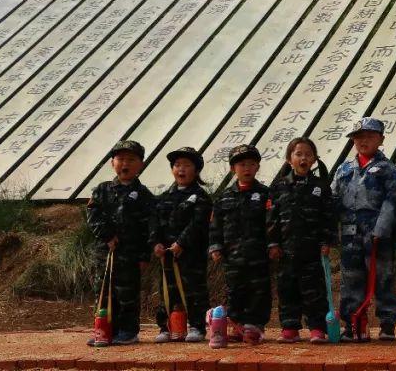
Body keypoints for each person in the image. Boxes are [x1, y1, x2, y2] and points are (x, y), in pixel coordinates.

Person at [332, 117, 396, 341]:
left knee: (383, 278)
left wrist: (380, 230)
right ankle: (353, 324)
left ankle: (389, 324)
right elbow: (333, 199)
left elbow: (392, 201)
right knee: (350, 280)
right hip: (350, 234)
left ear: (380, 139)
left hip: (377, 234)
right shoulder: (343, 169)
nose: (364, 140)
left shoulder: (387, 169)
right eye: (359, 137)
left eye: (370, 136)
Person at [267, 137, 337, 344]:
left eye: (308, 154)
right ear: (289, 159)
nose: (303, 158)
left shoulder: (321, 186)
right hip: (286, 251)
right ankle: (289, 328)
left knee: (314, 291)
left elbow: (328, 217)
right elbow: (271, 219)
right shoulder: (279, 187)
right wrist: (273, 243)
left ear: (314, 159)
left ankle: (317, 328)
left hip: (312, 251)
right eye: (298, 154)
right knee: (287, 289)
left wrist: (326, 241)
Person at [86, 140, 155, 346]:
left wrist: (144, 255)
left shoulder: (145, 196)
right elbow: (93, 215)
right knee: (103, 292)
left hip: (131, 255)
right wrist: (107, 235)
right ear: (112, 163)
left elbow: (149, 229)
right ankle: (105, 330)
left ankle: (128, 331)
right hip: (105, 254)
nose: (125, 164)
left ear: (140, 165)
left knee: (128, 294)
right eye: (121, 159)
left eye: (131, 160)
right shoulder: (102, 190)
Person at [209, 144, 271, 345]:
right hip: (232, 256)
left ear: (257, 167)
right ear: (232, 168)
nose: (247, 168)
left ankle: (254, 326)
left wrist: (273, 245)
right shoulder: (223, 197)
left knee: (259, 290)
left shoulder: (265, 194)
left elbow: (272, 223)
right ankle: (236, 324)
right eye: (242, 164)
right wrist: (216, 247)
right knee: (235, 290)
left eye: (252, 164)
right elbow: (215, 225)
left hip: (258, 254)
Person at [150, 147, 211, 344]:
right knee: (168, 290)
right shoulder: (164, 197)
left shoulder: (201, 197)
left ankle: (197, 326)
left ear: (196, 170)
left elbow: (198, 223)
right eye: (177, 165)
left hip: (191, 254)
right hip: (167, 255)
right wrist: (156, 243)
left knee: (193, 289)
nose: (181, 169)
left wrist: (182, 242)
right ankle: (166, 327)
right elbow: (155, 222)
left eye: (186, 165)